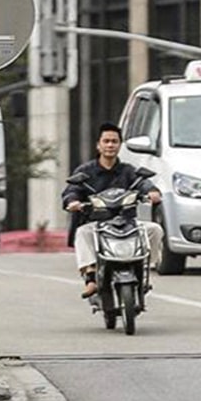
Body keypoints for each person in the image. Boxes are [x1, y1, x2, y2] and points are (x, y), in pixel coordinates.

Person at [62, 123, 165, 298]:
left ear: (120, 145)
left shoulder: (128, 171)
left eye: (114, 141)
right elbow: (72, 190)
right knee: (81, 233)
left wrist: (152, 192)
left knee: (155, 229)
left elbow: (143, 183)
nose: (110, 145)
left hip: (128, 224)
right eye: (106, 141)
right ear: (98, 145)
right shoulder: (85, 172)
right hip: (97, 225)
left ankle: (146, 269)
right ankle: (91, 276)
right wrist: (73, 201)